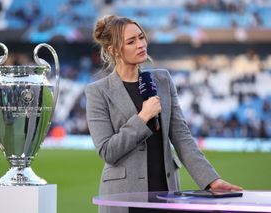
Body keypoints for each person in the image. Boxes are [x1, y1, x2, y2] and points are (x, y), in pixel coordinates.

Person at [85, 15, 242, 213]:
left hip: (166, 192)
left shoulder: (163, 80)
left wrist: (211, 180)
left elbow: (182, 138)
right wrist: (143, 117)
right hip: (123, 197)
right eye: (131, 41)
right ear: (113, 50)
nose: (141, 44)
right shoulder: (98, 91)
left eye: (141, 37)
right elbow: (108, 151)